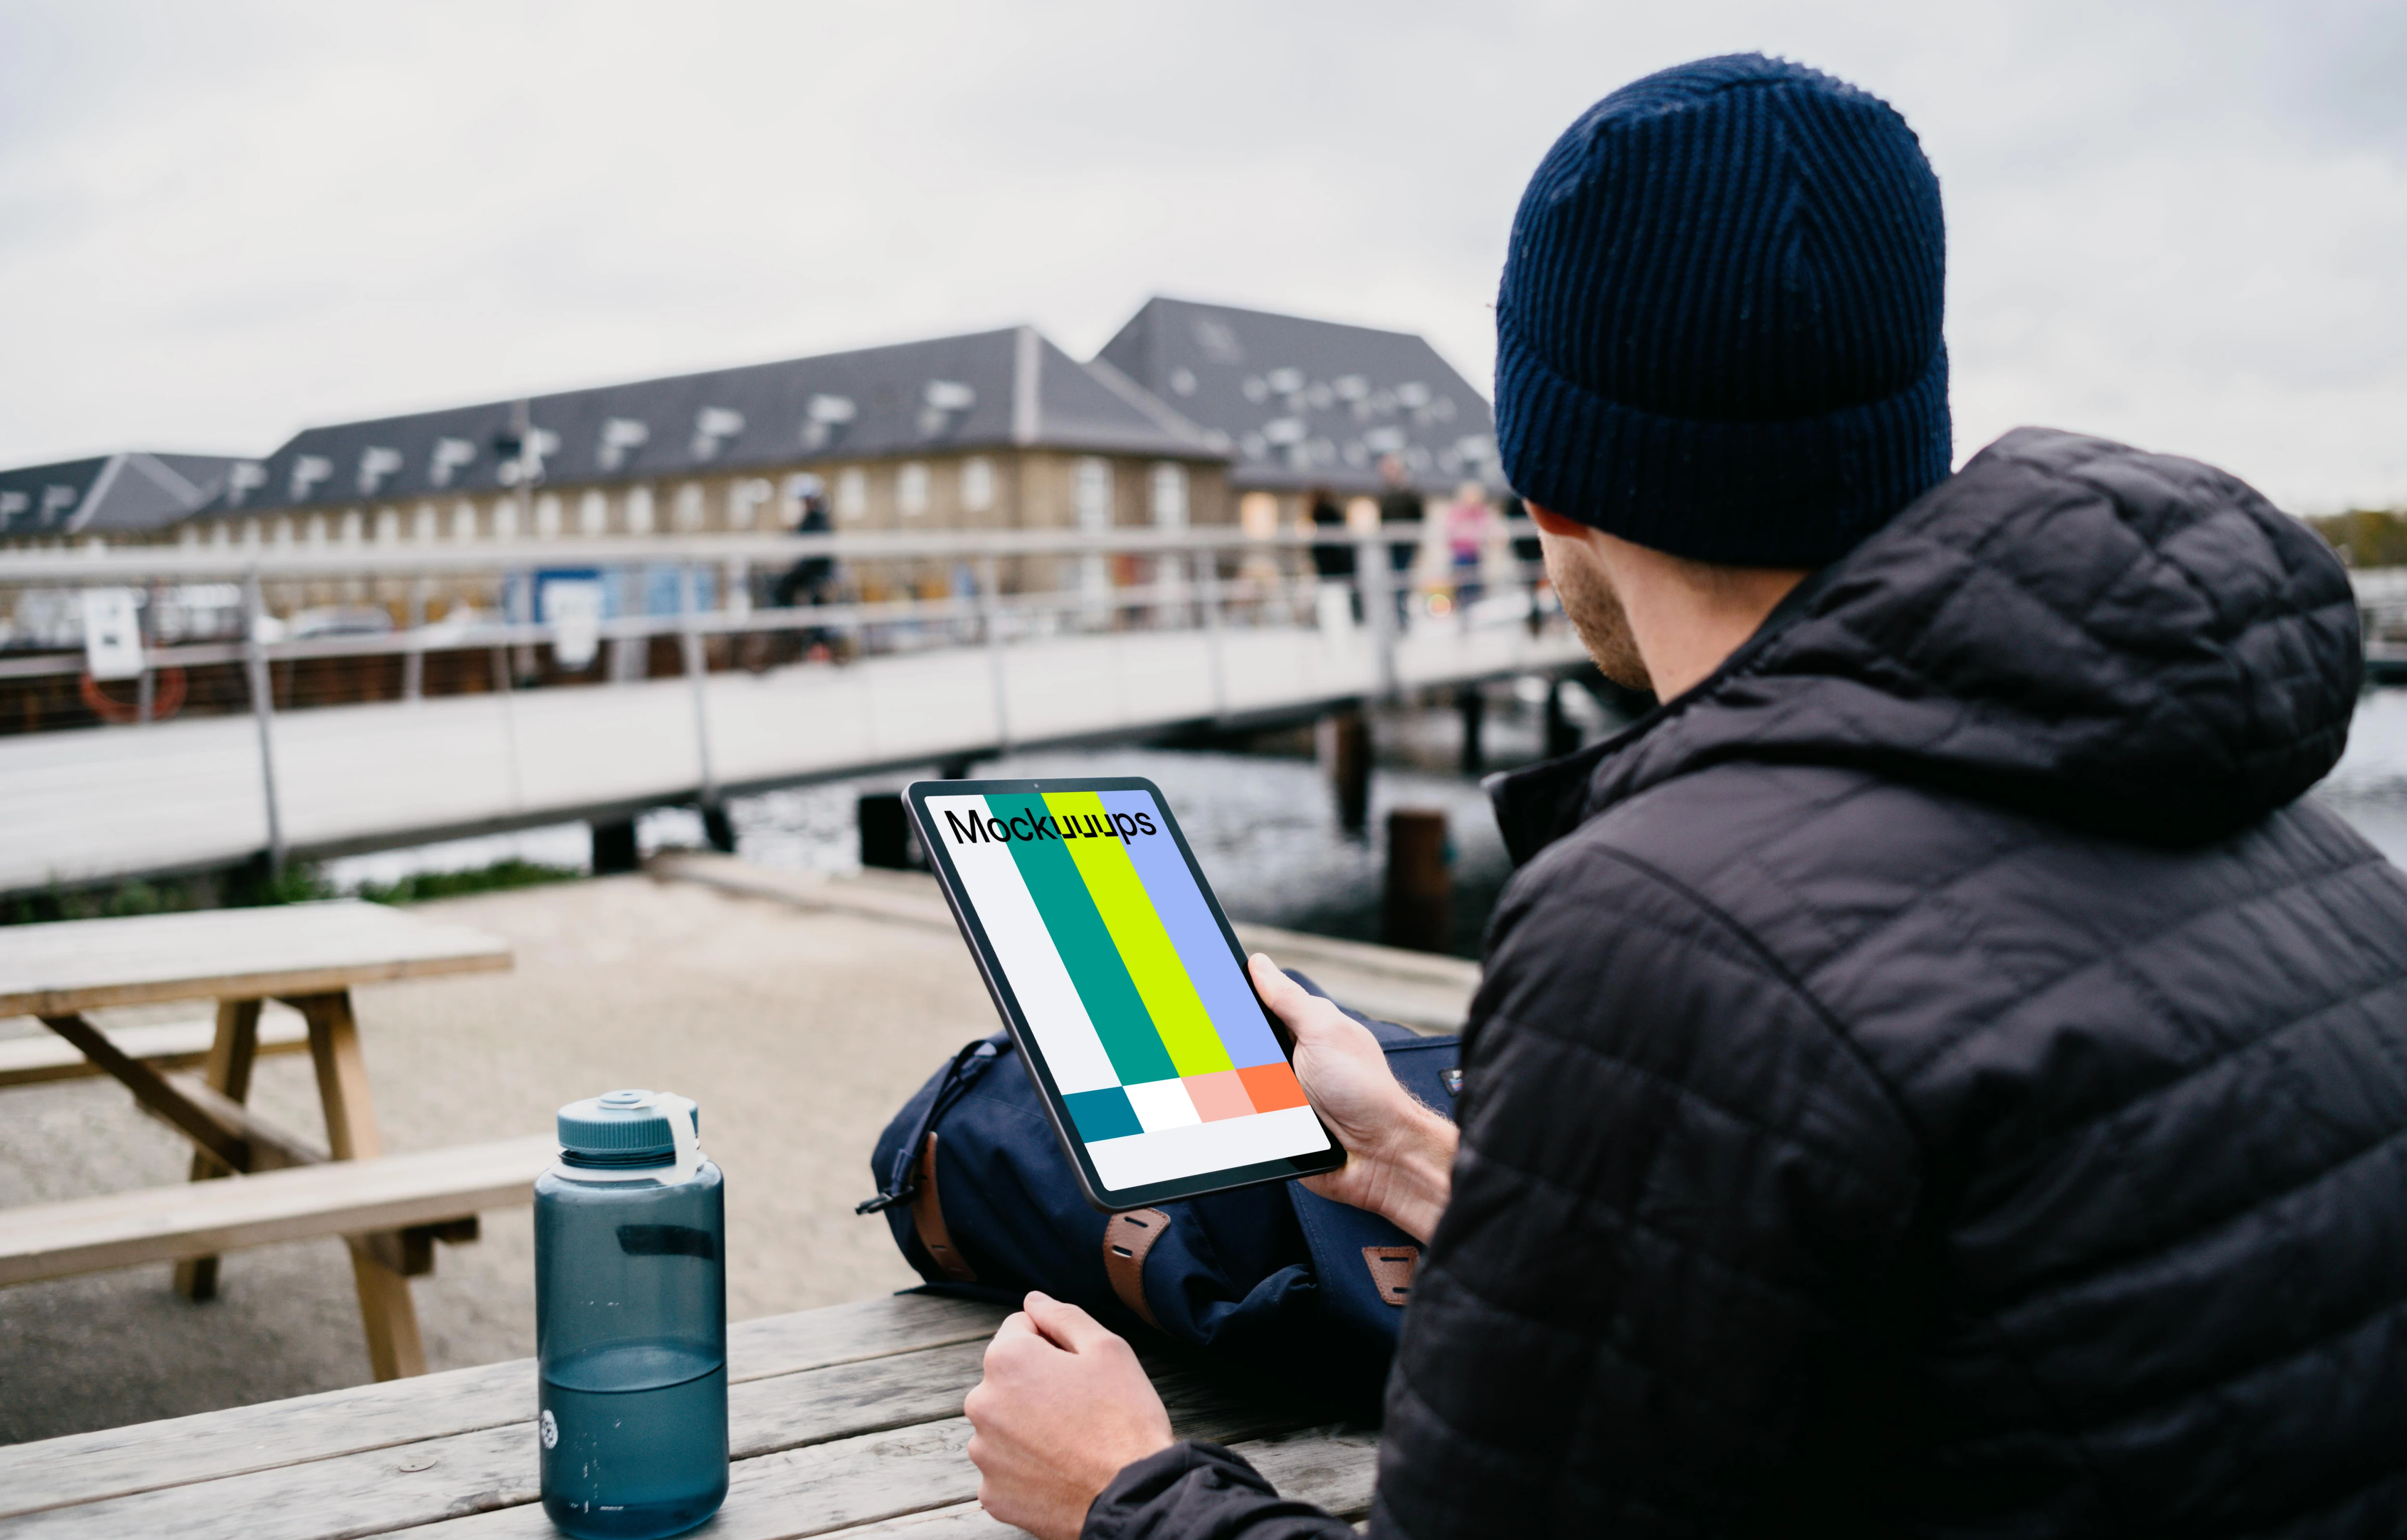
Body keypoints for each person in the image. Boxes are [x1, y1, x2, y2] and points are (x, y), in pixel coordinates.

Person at [962, 54, 2407, 1540]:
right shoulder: (2311, 854)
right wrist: (1407, 1151)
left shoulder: (1670, 924)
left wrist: (1122, 1488)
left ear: (1549, 493)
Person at [1375, 457, 1422, 629]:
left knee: (1403, 581)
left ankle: (1403, 619)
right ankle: (1396, 618)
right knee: (1393, 582)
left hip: (1406, 543)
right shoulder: (1385, 495)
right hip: (1390, 544)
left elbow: (1418, 518)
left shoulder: (1410, 495)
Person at [1441, 481, 1491, 619]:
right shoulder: (1456, 512)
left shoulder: (1480, 512)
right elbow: (1451, 531)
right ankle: (1463, 615)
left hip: (1474, 554)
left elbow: (1485, 529)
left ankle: (1472, 614)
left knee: (1474, 587)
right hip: (1460, 555)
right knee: (1461, 587)